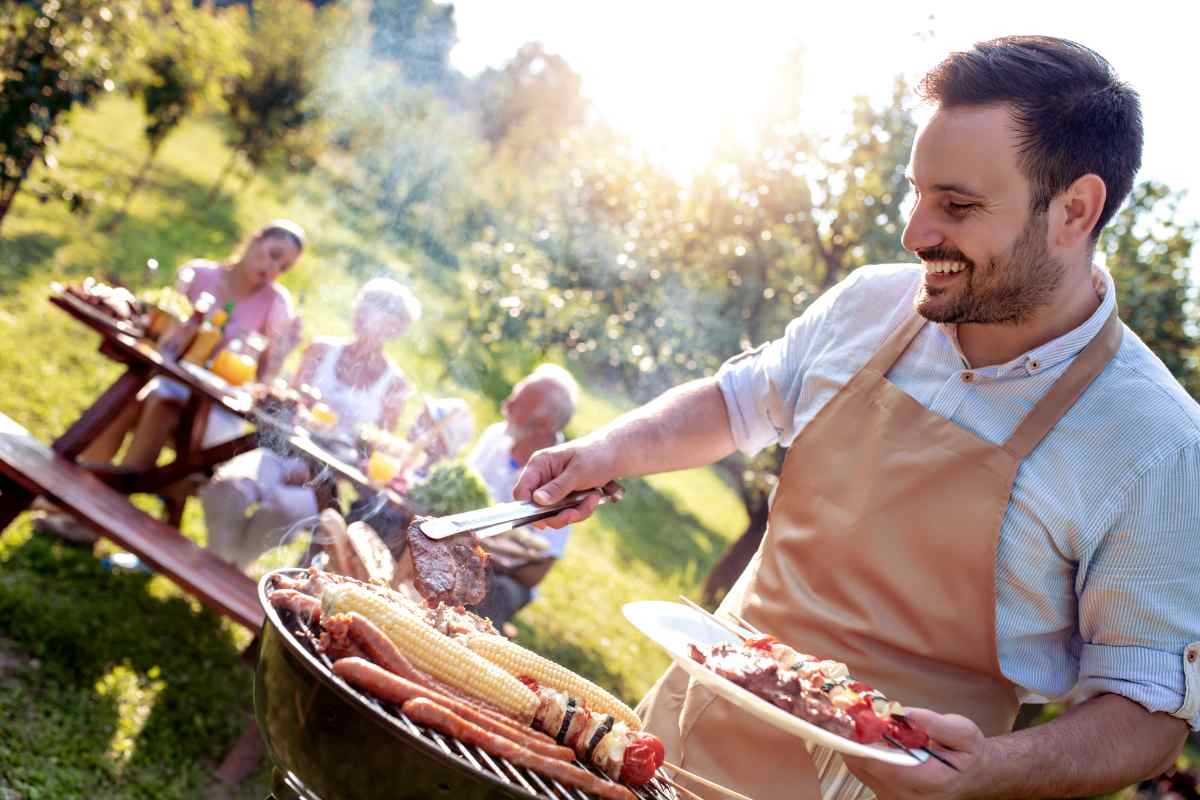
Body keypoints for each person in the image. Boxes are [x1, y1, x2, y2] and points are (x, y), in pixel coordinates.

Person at [514, 37, 1199, 800]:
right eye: (918, 193)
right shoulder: (871, 303)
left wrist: (991, 772)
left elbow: (1147, 708)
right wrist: (608, 450)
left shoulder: (1156, 445)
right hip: (672, 744)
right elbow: (735, 403)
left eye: (957, 205)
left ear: (1075, 210)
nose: (914, 233)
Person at [33, 220, 306, 545]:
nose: (273, 269)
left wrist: (282, 351)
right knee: (134, 404)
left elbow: (264, 383)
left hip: (218, 408)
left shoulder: (276, 304)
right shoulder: (199, 275)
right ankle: (75, 502)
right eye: (273, 254)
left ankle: (87, 514)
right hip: (170, 383)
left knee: (159, 402)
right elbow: (163, 328)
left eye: (283, 266)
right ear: (254, 239)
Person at [200, 277, 420, 568]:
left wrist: (316, 472)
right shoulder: (321, 350)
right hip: (282, 451)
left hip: (326, 478)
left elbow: (373, 454)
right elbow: (286, 405)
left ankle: (224, 568)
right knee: (228, 488)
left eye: (372, 313)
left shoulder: (393, 384)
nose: (360, 316)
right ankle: (219, 565)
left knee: (279, 511)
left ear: (394, 328)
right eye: (360, 308)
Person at [467, 364, 580, 631]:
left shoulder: (564, 480)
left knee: (483, 598)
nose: (506, 403)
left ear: (544, 424)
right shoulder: (497, 435)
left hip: (506, 576)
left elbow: (535, 574)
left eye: (518, 401)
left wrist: (486, 558)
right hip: (462, 548)